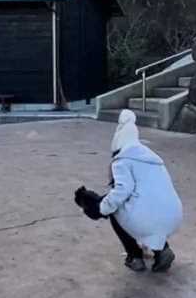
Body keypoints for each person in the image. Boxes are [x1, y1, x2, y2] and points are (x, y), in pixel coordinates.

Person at [75, 110, 183, 273]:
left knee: (115, 211)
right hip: (174, 215)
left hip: (150, 218)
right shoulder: (152, 158)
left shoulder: (122, 160)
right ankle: (162, 251)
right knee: (138, 209)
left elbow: (122, 190)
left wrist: (102, 209)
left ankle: (135, 257)